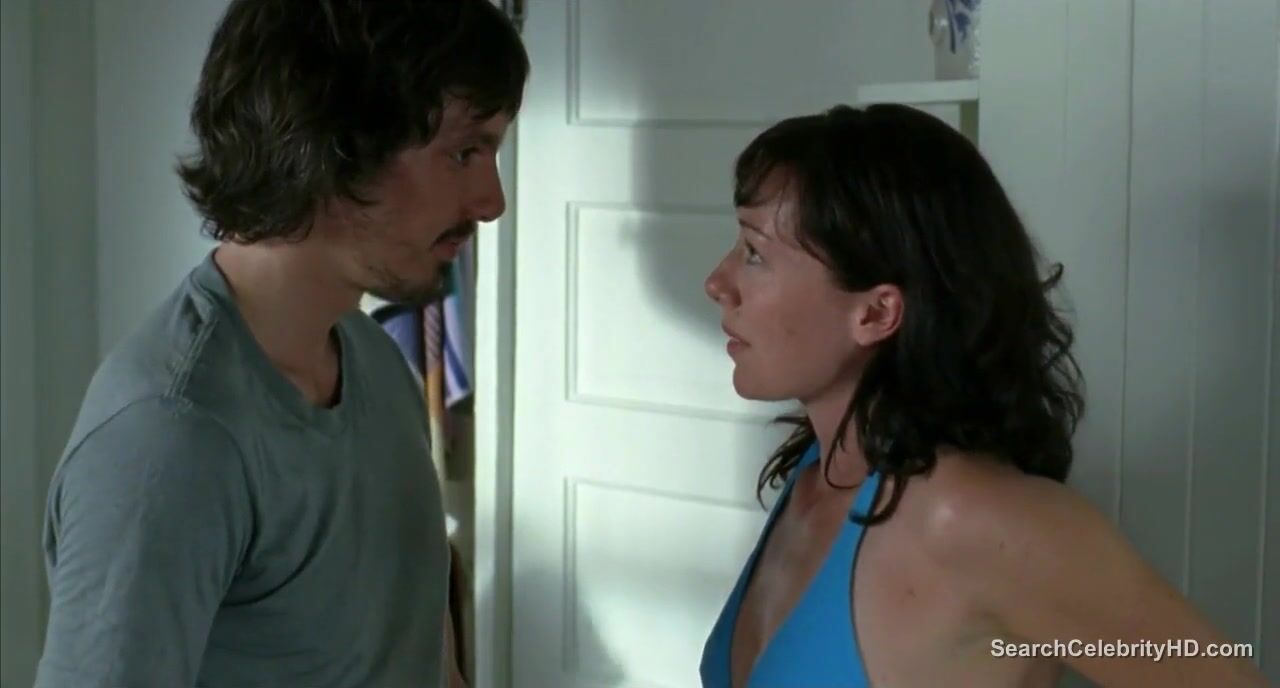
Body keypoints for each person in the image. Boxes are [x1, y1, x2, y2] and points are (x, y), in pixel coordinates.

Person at [35, 1, 527, 686]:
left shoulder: (375, 360)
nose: (492, 200)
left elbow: (421, 652)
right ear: (333, 143)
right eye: (464, 152)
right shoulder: (171, 439)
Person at [698, 104, 1266, 687]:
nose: (717, 282)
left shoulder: (970, 521)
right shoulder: (812, 477)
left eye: (755, 252)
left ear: (877, 312)